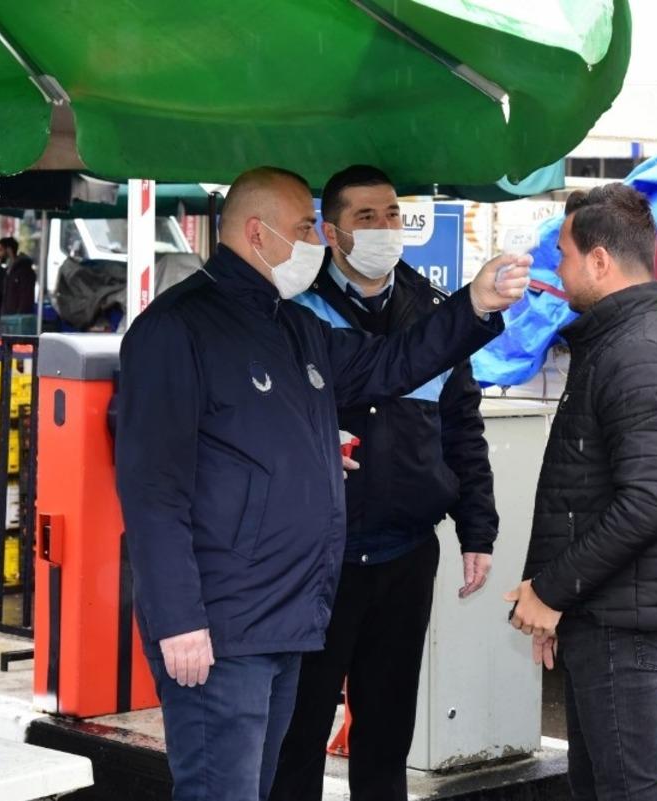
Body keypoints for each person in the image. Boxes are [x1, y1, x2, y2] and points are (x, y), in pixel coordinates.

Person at [114, 166, 530, 801]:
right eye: (306, 228)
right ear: (257, 234)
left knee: (264, 781)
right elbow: (153, 488)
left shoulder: (294, 327)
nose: (316, 240)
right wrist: (178, 621)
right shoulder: (178, 329)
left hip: (289, 613)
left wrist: (472, 305)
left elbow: (390, 364)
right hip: (223, 622)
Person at [270, 166, 498, 801]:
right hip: (319, 559)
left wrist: (477, 528)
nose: (383, 228)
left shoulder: (432, 312)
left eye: (392, 215)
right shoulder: (297, 311)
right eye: (366, 218)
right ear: (331, 232)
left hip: (404, 554)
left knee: (387, 733)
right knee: (299, 729)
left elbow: (462, 427)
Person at [504, 184, 657, 801]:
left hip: (624, 619)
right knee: (594, 786)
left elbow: (643, 504)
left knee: (623, 790)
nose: (559, 269)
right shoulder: (618, 342)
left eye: (565, 254)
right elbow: (582, 490)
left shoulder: (638, 354)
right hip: (604, 607)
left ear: (599, 261)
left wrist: (549, 590)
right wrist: (552, 597)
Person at [0, 236, 37, 316]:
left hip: (17, 320)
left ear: (9, 250)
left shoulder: (24, 270)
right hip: (7, 317)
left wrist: (19, 316)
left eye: (0, 250)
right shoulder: (8, 271)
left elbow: (26, 298)